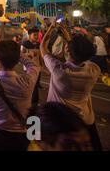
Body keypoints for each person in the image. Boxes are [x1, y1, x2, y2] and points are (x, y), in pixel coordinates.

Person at [41, 23, 102, 151]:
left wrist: (51, 28)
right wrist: (69, 40)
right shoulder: (94, 70)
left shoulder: (59, 70)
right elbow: (78, 55)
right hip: (84, 121)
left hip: (59, 124)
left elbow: (43, 47)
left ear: (67, 50)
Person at [0, 40, 41, 151]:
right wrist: (17, 55)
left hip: (1, 132)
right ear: (16, 60)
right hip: (23, 132)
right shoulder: (27, 81)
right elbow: (34, 66)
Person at [21, 27, 42, 109]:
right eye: (35, 35)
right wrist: (29, 55)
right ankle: (32, 103)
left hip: (37, 68)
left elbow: (40, 57)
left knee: (36, 86)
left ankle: (34, 103)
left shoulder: (38, 44)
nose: (37, 37)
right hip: (28, 69)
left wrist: (42, 66)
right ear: (29, 36)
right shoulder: (25, 44)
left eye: (38, 35)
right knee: (32, 86)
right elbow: (21, 56)